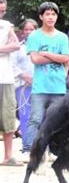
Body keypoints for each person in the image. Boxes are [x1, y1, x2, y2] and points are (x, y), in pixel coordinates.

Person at [23, 2, 69, 162]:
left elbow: (65, 58)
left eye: (53, 14)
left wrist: (47, 53)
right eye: (47, 14)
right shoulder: (34, 36)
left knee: (56, 121)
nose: (51, 17)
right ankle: (29, 149)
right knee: (35, 118)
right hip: (40, 87)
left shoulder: (62, 37)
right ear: (41, 16)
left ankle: (50, 150)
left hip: (58, 87)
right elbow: (34, 59)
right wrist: (55, 57)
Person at [0, 0, 22, 166]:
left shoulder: (7, 26)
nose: (1, 13)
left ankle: (8, 156)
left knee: (8, 115)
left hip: (6, 77)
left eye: (3, 10)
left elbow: (16, 45)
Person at [12, 19, 38, 154]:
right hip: (23, 87)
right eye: (26, 29)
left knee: (41, 116)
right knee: (25, 116)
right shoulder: (19, 47)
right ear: (22, 32)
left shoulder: (41, 46)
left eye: (31, 29)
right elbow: (13, 65)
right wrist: (24, 75)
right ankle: (28, 147)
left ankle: (44, 147)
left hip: (40, 85)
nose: (28, 32)